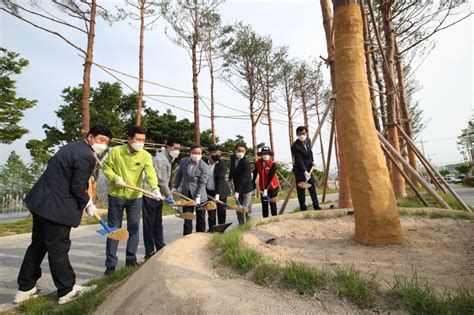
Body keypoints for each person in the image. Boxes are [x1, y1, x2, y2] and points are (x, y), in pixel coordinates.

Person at [14, 126, 112, 305]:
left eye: (106, 142)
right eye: (100, 139)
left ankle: (25, 288)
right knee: (58, 248)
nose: (103, 144)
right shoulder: (84, 156)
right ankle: (67, 290)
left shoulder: (71, 147)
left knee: (37, 245)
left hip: (41, 203)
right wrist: (88, 204)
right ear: (90, 137)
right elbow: (77, 186)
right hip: (56, 209)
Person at [103, 126, 161, 275]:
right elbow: (106, 168)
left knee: (133, 228)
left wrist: (155, 188)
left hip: (135, 198)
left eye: (143, 140)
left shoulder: (145, 156)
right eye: (138, 139)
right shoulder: (116, 151)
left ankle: (131, 260)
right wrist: (116, 178)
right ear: (129, 139)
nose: (140, 143)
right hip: (116, 195)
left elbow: (150, 173)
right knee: (114, 229)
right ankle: (110, 265)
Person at [142, 137, 181, 259]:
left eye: (179, 149)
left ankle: (159, 246)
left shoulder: (168, 158)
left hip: (158, 195)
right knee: (149, 224)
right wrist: (171, 199)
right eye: (175, 148)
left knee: (157, 223)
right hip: (150, 194)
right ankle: (149, 252)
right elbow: (163, 182)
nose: (177, 151)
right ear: (168, 147)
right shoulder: (161, 160)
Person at [173, 144, 209, 235]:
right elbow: (179, 175)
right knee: (187, 217)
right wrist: (175, 187)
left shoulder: (204, 166)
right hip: (186, 194)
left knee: (200, 218)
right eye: (194, 153)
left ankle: (200, 237)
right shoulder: (183, 161)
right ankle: (187, 238)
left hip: (200, 196)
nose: (196, 155)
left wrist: (198, 197)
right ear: (190, 152)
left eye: (199, 153)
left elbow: (202, 183)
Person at [291, 126, 321, 211]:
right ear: (297, 134)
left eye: (303, 133)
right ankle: (303, 208)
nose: (302, 135)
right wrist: (304, 171)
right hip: (300, 171)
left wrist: (312, 161)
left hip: (309, 169)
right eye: (299, 134)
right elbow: (299, 160)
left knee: (312, 188)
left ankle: (316, 206)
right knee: (301, 190)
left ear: (306, 133)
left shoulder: (308, 140)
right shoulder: (295, 146)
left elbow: (310, 152)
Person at [206, 144, 231, 227]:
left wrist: (217, 194)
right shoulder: (205, 163)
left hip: (221, 192)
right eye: (214, 153)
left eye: (218, 153)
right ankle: (212, 231)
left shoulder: (222, 164)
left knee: (221, 213)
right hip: (209, 193)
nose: (217, 155)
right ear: (209, 154)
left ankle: (221, 231)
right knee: (211, 214)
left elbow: (220, 179)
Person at [229, 143, 253, 225]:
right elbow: (232, 170)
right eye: (239, 151)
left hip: (247, 189)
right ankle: (241, 226)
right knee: (239, 209)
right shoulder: (232, 158)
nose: (240, 153)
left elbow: (244, 179)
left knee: (246, 209)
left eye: (243, 151)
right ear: (235, 151)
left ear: (245, 151)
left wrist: (237, 192)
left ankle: (249, 226)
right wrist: (229, 179)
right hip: (237, 187)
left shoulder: (246, 163)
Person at [253, 146, 280, 217]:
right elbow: (255, 173)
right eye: (264, 154)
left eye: (267, 154)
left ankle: (274, 219)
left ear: (270, 155)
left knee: (272, 203)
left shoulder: (273, 164)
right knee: (264, 204)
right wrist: (253, 182)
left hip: (273, 187)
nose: (265, 155)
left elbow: (270, 177)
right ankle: (265, 220)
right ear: (261, 155)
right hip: (262, 187)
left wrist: (266, 189)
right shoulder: (258, 163)